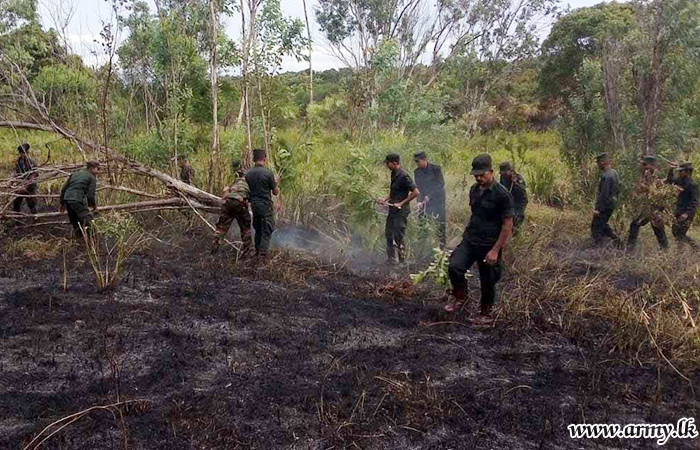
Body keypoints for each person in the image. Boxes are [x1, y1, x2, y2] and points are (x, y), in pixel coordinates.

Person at [444, 154, 514, 322]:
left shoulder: (502, 195)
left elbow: (507, 226)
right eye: (476, 175)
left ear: (491, 171)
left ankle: (485, 314)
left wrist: (495, 251)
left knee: (487, 281)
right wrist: (460, 239)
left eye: (482, 174)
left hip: (489, 244)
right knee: (455, 266)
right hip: (471, 239)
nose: (479, 178)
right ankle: (461, 296)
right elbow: (475, 216)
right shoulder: (474, 190)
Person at [379, 153, 419, 264]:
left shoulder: (404, 176)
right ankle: (391, 259)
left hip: (401, 211)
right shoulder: (393, 174)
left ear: (395, 163)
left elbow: (416, 192)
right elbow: (394, 192)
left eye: (388, 163)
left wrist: (401, 203)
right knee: (388, 234)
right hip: (393, 210)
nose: (386, 165)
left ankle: (402, 261)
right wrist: (385, 199)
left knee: (398, 236)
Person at [626, 156, 668, 251]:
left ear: (652, 165)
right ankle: (630, 248)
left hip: (657, 207)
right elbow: (642, 189)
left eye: (645, 164)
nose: (643, 166)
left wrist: (646, 188)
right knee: (635, 223)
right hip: (648, 207)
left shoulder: (659, 175)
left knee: (658, 229)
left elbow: (660, 192)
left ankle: (665, 249)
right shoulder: (646, 174)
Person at [212, 159, 252, 256]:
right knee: (246, 229)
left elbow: (225, 195)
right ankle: (246, 253)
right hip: (239, 203)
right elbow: (250, 197)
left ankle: (214, 250)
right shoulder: (250, 181)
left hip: (228, 202)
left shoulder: (235, 181)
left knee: (221, 228)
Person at [245, 149, 279, 259]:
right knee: (267, 229)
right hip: (265, 205)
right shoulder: (268, 173)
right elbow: (275, 192)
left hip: (254, 206)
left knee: (258, 228)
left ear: (254, 159)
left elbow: (247, 191)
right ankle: (262, 255)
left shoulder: (248, 174)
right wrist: (275, 183)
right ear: (264, 159)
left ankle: (257, 251)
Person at [413, 151, 446, 248]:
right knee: (422, 223)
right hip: (424, 202)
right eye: (415, 162)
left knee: (440, 224)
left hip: (438, 201)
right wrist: (419, 201)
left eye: (418, 161)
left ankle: (442, 247)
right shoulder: (417, 172)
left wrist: (429, 196)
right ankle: (423, 247)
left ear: (425, 159)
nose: (417, 164)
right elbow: (418, 187)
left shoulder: (436, 169)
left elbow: (440, 184)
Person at [59, 161, 100, 238]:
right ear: (92, 168)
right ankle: (95, 240)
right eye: (98, 169)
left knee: (75, 222)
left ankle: (80, 242)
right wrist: (94, 207)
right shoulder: (91, 177)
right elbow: (90, 196)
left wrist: (62, 203)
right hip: (77, 199)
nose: (98, 172)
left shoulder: (76, 173)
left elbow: (64, 188)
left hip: (67, 199)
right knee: (88, 220)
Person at [591, 153, 622, 247]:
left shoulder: (606, 176)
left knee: (596, 227)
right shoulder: (614, 172)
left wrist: (599, 209)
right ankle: (617, 240)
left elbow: (604, 195)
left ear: (603, 162)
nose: (598, 165)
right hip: (612, 204)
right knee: (602, 224)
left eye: (598, 163)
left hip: (605, 206)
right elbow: (618, 189)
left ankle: (599, 249)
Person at [667, 161, 698, 249]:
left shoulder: (692, 185)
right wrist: (671, 169)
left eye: (681, 171)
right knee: (675, 231)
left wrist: (687, 214)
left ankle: (695, 247)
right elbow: (670, 181)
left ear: (687, 172)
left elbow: (694, 201)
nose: (679, 173)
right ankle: (682, 250)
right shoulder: (681, 180)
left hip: (686, 213)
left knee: (680, 233)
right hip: (679, 211)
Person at [498, 161, 528, 235]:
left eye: (505, 172)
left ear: (510, 170)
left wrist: (515, 183)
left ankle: (515, 235)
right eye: (502, 173)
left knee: (517, 217)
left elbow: (523, 190)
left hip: (520, 200)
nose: (503, 174)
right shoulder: (503, 177)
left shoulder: (518, 177)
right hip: (510, 199)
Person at [12, 143, 38, 215]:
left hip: (30, 185)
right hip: (20, 184)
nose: (23, 155)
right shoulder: (17, 162)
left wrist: (27, 183)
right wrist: (16, 182)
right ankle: (16, 219)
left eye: (25, 153)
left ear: (27, 152)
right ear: (20, 153)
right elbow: (16, 173)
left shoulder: (32, 162)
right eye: (22, 153)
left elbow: (35, 173)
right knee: (16, 202)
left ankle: (35, 217)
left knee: (31, 202)